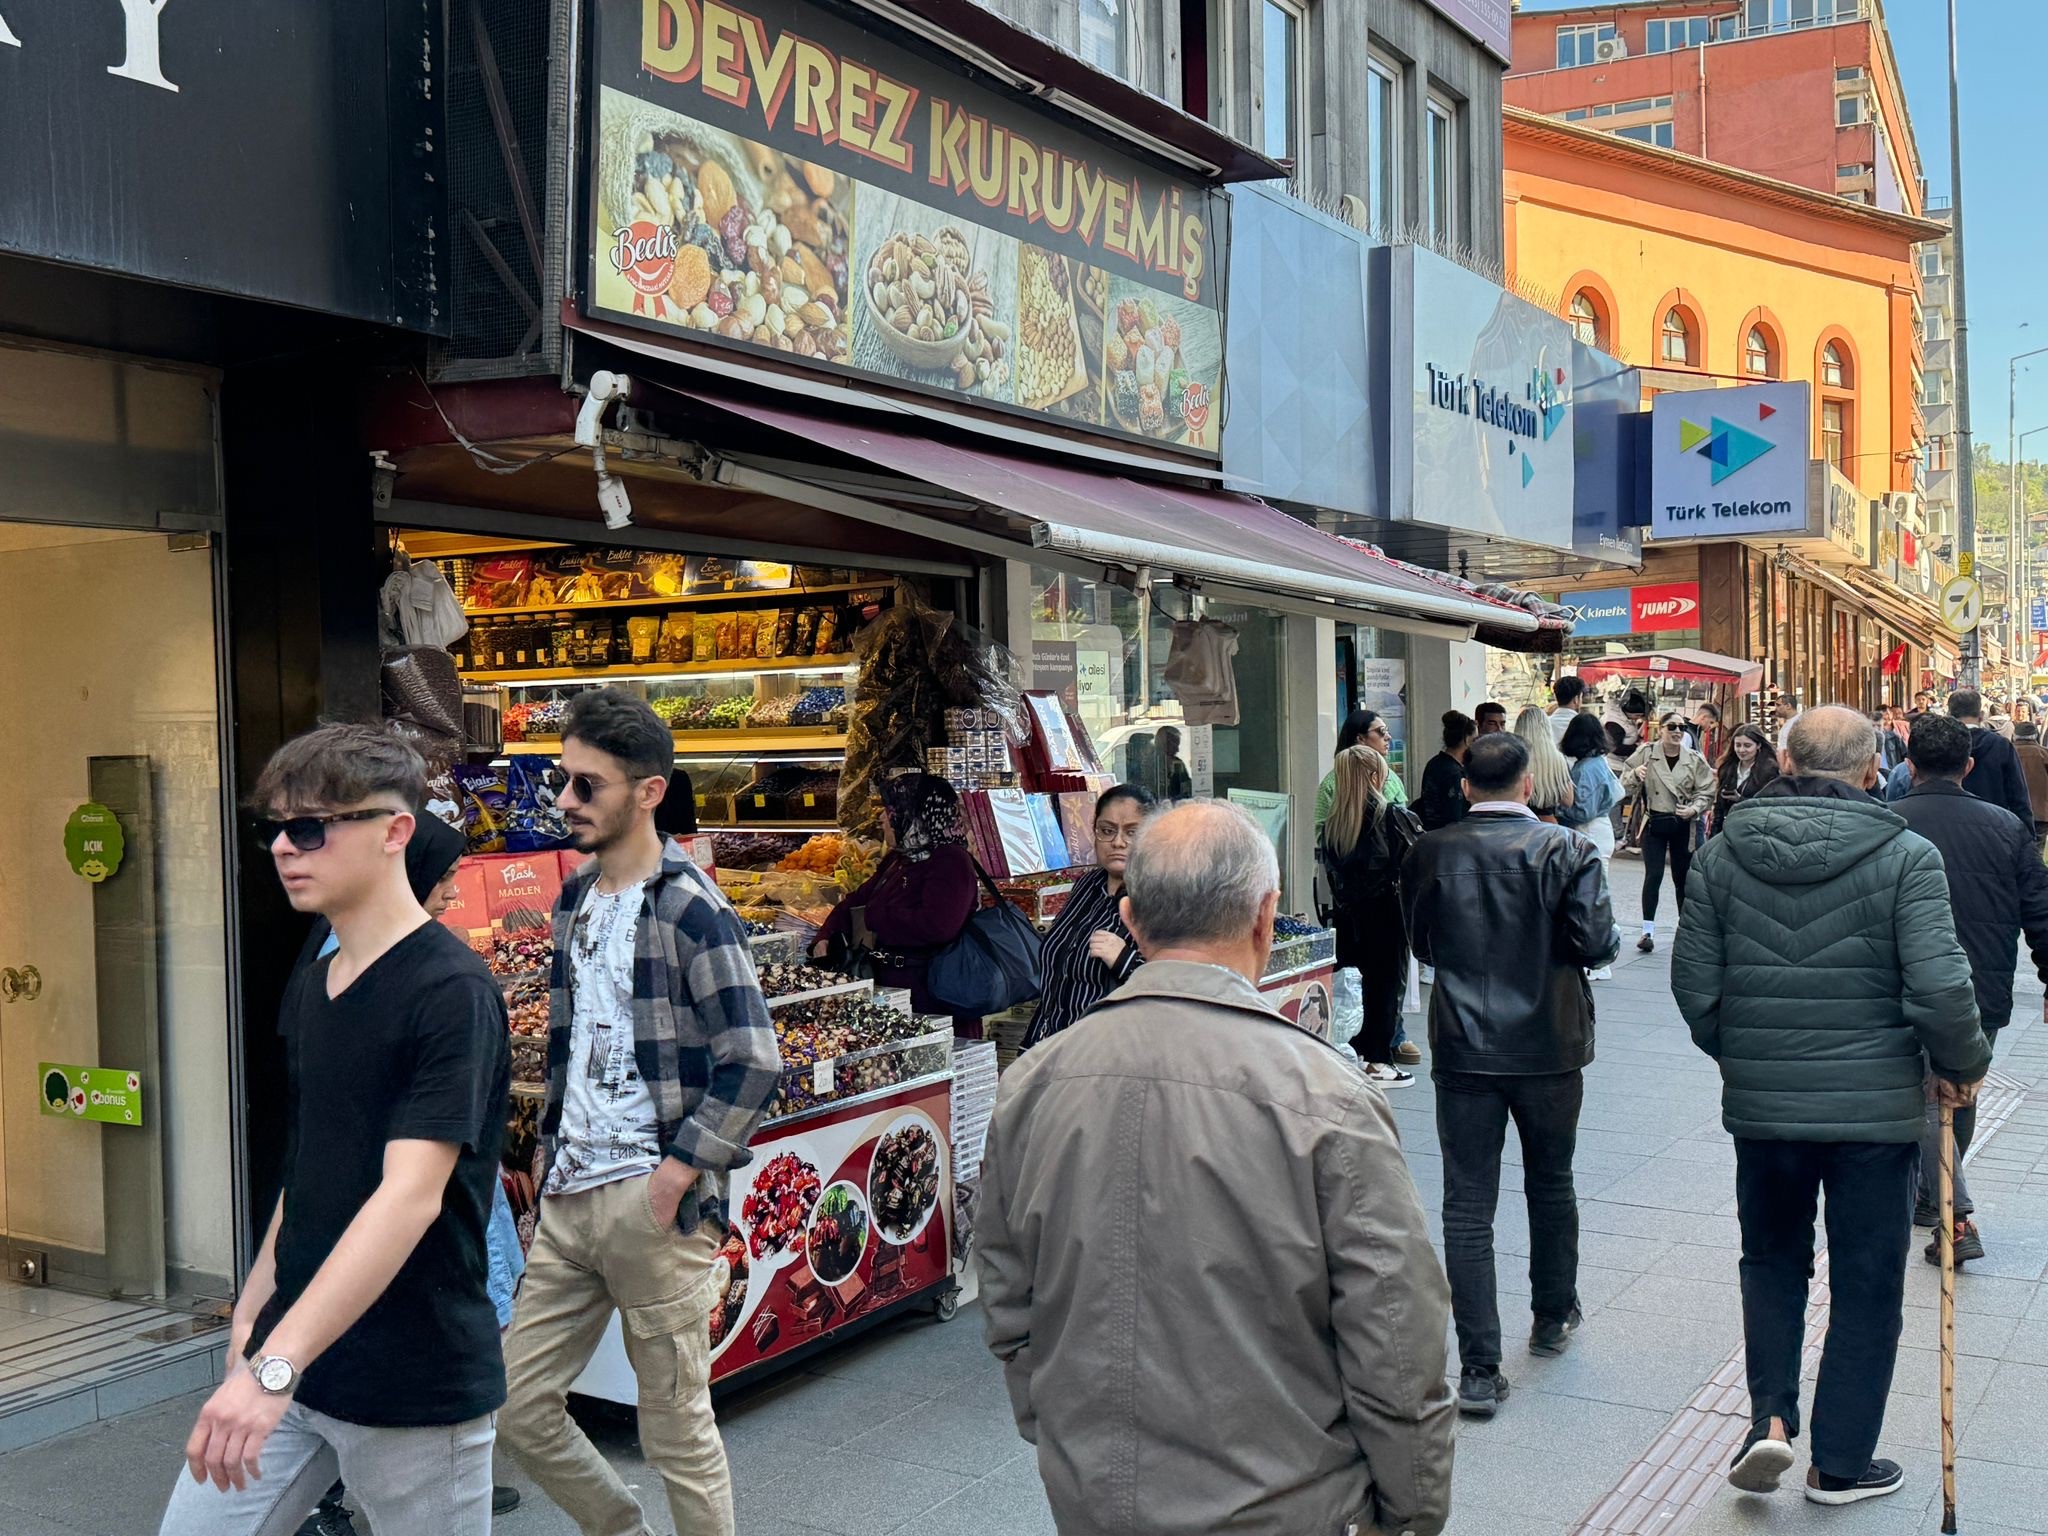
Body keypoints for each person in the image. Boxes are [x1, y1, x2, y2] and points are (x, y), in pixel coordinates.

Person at [979, 801, 1456, 1536]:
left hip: (1094, 1495)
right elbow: (1396, 1345)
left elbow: (1010, 1302)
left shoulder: (1034, 1083)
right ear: (1266, 918)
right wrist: (1413, 1515)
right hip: (1288, 1501)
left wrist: (1070, 1440)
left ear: (1131, 919)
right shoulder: (1328, 1096)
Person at [160, 726, 511, 1536]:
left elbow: (409, 1198)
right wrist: (254, 1315)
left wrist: (274, 1364)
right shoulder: (317, 983)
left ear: (395, 832)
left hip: (413, 1377)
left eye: (311, 827)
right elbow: (310, 1168)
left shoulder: (450, 991)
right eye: (274, 828)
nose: (285, 847)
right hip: (300, 1355)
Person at [1671, 706, 1991, 1507]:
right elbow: (1941, 985)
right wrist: (1963, 1066)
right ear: (1871, 770)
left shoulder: (1721, 853)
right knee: (1869, 1279)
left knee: (1773, 1261)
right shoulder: (1906, 856)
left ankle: (1770, 1423)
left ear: (1783, 758)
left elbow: (1694, 988)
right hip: (1876, 1113)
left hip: (1767, 1108)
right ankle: (1839, 1464)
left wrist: (1746, 1056)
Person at [499, 688, 779, 1536]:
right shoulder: (573, 899)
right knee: (517, 1406)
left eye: (588, 785)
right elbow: (569, 1038)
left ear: (648, 791)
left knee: (676, 1431)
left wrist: (679, 1170)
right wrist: (550, 1145)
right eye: (563, 780)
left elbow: (754, 1058)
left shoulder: (691, 906)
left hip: (652, 1200)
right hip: (572, 1195)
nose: (565, 801)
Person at [296, 813, 523, 1536]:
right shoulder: (379, 964)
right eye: (448, 876)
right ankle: (347, 1493)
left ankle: (381, 1484)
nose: (457, 891)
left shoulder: (403, 955)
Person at [1403, 733, 1620, 1418]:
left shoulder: (1430, 850)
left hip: (1464, 1043)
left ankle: (1478, 1368)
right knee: (1552, 1180)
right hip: (1551, 1042)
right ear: (1527, 786)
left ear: (1466, 786)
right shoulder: (1568, 851)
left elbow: (1421, 941)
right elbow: (1597, 942)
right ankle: (1552, 1315)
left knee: (1467, 1204)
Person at [1894, 713, 2048, 1267]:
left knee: (1914, 1089)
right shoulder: (2007, 827)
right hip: (1980, 981)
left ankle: (1946, 1206)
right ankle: (1937, 1198)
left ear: (1909, 767)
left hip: (1900, 981)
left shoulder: (1887, 823)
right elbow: (2040, 909)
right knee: (1958, 1088)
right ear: (1970, 766)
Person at [813, 772, 979, 1017]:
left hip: (934, 994)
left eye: (890, 810)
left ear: (915, 814)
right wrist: (825, 936)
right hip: (894, 986)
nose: (881, 818)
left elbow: (937, 926)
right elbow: (856, 901)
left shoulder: (950, 860)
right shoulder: (899, 859)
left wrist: (877, 916)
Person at [1319, 745, 1424, 1087]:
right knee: (1386, 986)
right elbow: (1418, 863)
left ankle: (1356, 1051)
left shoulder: (1335, 826)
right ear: (1377, 775)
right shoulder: (1393, 817)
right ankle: (1379, 1060)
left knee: (1355, 985)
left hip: (1349, 919)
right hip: (1388, 917)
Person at [1021, 784, 1154, 1049]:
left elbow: (1175, 986)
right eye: (1107, 830)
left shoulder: (1158, 898)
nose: (1118, 842)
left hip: (1102, 1061)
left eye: (1132, 832)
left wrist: (1123, 959)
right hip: (1047, 1048)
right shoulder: (1087, 886)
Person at [1620, 712, 1714, 952]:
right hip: (1654, 821)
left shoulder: (1693, 759)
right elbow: (1623, 781)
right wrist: (1635, 774)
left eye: (1681, 727)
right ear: (1660, 729)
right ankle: (1647, 930)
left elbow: (1707, 791)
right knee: (1653, 875)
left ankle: (1684, 930)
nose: (1677, 732)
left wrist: (1694, 808)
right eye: (1671, 727)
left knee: (1682, 878)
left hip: (1682, 823)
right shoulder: (1647, 753)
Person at [1557, 714, 1622, 982]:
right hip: (1601, 828)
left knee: (1591, 896)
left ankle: (1601, 957)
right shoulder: (1600, 763)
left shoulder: (1585, 768)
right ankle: (1601, 955)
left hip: (1588, 831)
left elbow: (1581, 810)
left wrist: (1557, 808)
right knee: (1597, 893)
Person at [1948, 689, 2034, 824]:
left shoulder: (1941, 743)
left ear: (1949, 715)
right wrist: (2027, 835)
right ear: (1981, 716)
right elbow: (2018, 796)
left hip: (1950, 823)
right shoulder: (2001, 746)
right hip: (1995, 825)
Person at [1317, 709, 1408, 828]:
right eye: (1381, 731)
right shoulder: (1332, 782)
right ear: (1360, 738)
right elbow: (1321, 832)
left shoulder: (1392, 777)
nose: (1388, 737)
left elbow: (1403, 825)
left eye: (1387, 731)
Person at [1711, 725, 1780, 834]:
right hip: (1729, 828)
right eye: (1738, 745)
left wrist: (1741, 800)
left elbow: (1772, 805)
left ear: (1758, 745)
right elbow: (1719, 807)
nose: (1742, 750)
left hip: (1756, 830)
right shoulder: (1727, 768)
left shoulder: (1770, 771)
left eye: (1747, 746)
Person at [1513, 706, 1577, 822]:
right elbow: (1568, 800)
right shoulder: (1558, 760)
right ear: (1546, 727)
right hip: (1549, 823)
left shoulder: (1513, 758)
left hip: (1519, 822)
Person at [1418, 710, 1475, 832]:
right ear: (1467, 740)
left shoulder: (1434, 763)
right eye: (1475, 740)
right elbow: (1454, 818)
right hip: (1450, 839)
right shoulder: (1454, 773)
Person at [2015, 719, 2048, 851]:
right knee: (2037, 853)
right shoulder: (2044, 754)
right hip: (2041, 812)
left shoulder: (2007, 752)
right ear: (2036, 735)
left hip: (2013, 811)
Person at [1603, 721, 1635, 849]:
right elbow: (1615, 747)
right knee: (1615, 800)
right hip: (1617, 767)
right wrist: (1636, 747)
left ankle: (1618, 832)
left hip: (1620, 766)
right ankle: (1618, 833)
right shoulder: (1615, 722)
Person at [1153, 724, 1193, 802]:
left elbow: (1187, 787)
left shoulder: (1178, 763)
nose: (1177, 749)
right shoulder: (1149, 763)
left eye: (1178, 745)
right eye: (1174, 745)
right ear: (1164, 744)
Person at [1548, 673, 1586, 742]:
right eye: (1581, 697)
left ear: (1556, 697)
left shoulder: (1545, 724)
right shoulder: (1585, 726)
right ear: (1576, 699)